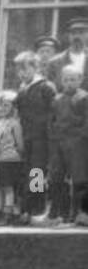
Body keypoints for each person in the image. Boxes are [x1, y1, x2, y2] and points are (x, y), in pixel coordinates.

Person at [15, 50, 56, 225]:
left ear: (35, 67)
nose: (20, 74)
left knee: (37, 173)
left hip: (42, 138)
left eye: (24, 69)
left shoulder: (46, 87)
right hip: (27, 137)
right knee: (27, 173)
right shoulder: (23, 88)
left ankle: (37, 211)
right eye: (18, 70)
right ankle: (26, 210)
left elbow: (54, 114)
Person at [47, 66, 88, 226]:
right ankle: (56, 212)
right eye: (66, 79)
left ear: (80, 80)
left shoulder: (84, 98)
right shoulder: (56, 99)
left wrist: (81, 137)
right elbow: (51, 120)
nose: (69, 83)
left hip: (77, 143)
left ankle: (79, 213)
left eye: (73, 79)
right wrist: (53, 136)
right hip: (57, 142)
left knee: (80, 178)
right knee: (54, 177)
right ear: (61, 81)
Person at [0, 90, 23, 224]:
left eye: (6, 105)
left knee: (8, 186)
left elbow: (19, 143)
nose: (3, 108)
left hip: (10, 159)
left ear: (14, 108)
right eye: (1, 105)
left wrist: (20, 154)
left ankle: (8, 212)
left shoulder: (15, 123)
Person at [47, 18, 88, 88]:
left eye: (81, 33)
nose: (76, 36)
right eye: (73, 33)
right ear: (68, 36)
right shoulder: (54, 62)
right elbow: (50, 90)